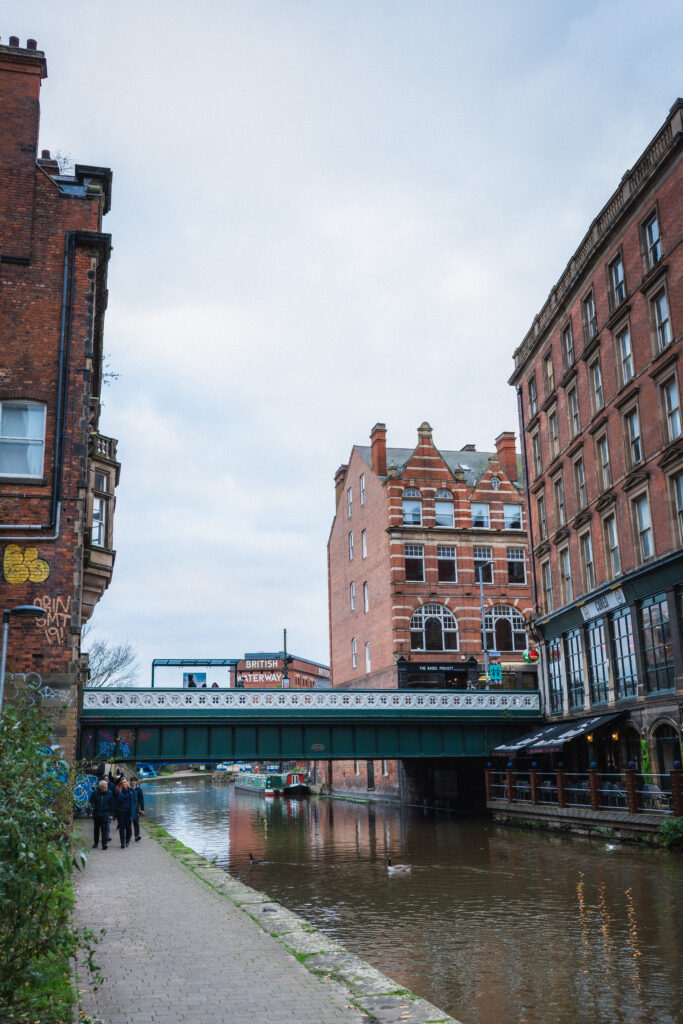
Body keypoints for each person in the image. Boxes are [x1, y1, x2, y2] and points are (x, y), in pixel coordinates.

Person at [89, 779, 115, 850]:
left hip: (105, 813)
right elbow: (90, 802)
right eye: (104, 787)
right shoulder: (95, 793)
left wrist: (111, 814)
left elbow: (111, 804)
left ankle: (104, 844)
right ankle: (96, 843)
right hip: (97, 813)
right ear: (100, 787)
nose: (105, 788)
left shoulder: (109, 793)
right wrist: (90, 812)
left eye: (106, 787)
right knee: (96, 829)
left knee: (104, 829)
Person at [115, 777, 134, 848]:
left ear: (127, 783)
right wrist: (115, 813)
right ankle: (122, 843)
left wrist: (135, 811)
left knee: (128, 828)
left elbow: (134, 802)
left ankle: (127, 840)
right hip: (121, 812)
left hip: (128, 812)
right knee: (121, 828)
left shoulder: (131, 791)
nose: (124, 784)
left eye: (125, 782)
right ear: (121, 784)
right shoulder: (119, 792)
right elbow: (116, 802)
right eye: (122, 783)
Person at [130, 777, 145, 842]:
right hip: (129, 808)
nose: (133, 782)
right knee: (128, 823)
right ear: (131, 782)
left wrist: (142, 809)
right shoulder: (128, 788)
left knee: (136, 822)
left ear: (136, 782)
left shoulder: (139, 789)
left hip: (136, 808)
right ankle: (129, 836)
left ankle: (137, 835)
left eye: (135, 781)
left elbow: (141, 800)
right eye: (132, 781)